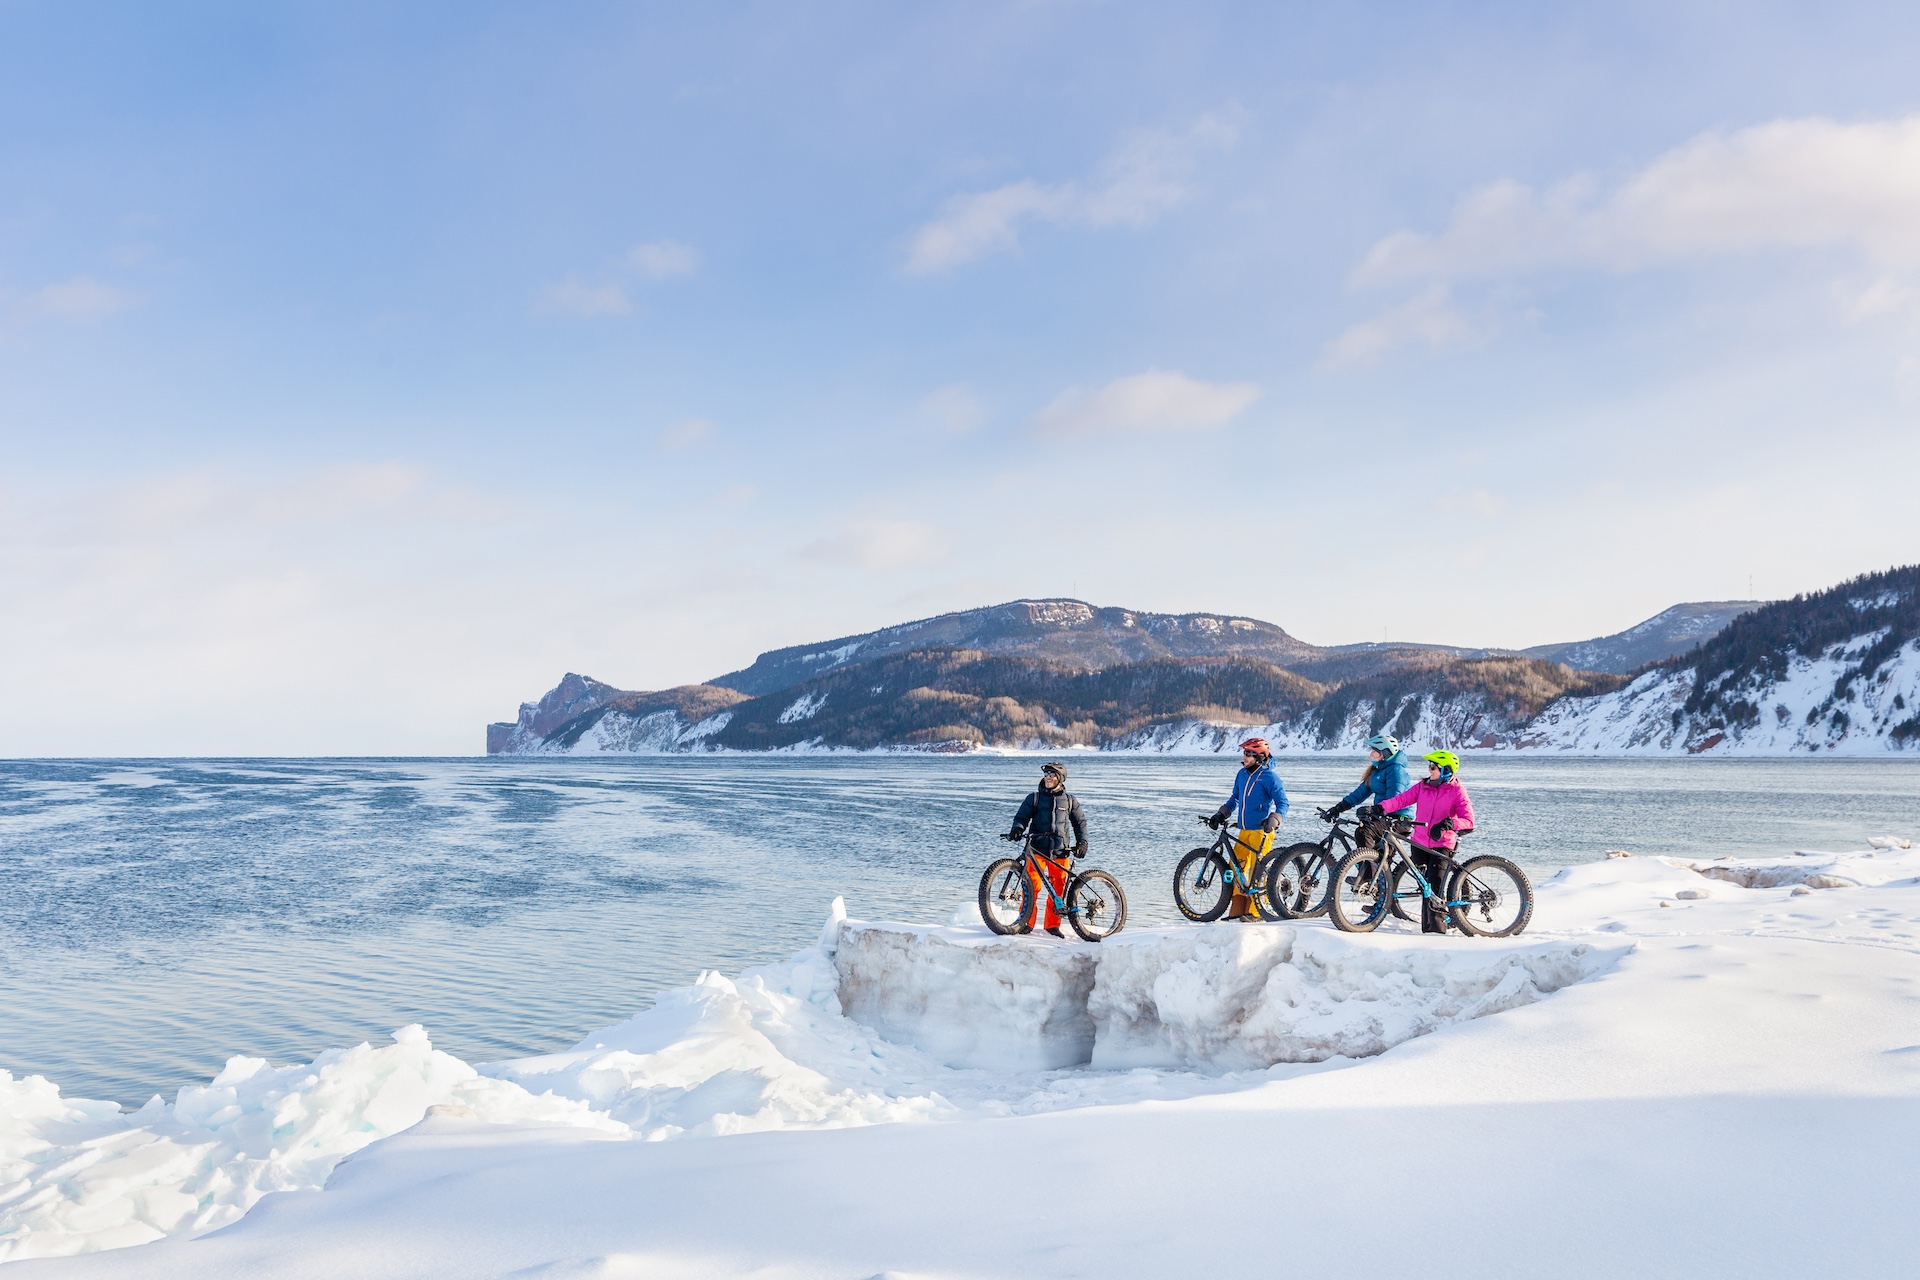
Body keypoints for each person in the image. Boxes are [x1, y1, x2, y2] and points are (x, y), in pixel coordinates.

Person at [1377, 749, 1476, 934]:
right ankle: (1427, 930)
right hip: (1419, 843)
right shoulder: (1423, 786)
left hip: (1442, 845)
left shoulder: (1457, 791)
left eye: (1433, 767)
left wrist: (1449, 823)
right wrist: (1380, 808)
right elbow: (1401, 800)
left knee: (1435, 888)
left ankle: (1437, 933)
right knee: (1425, 888)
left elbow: (1469, 821)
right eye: (1429, 766)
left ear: (1446, 769)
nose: (1429, 770)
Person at [1201, 737, 1289, 921]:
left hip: (1261, 831)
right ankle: (1237, 910)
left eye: (1249, 753)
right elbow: (1234, 798)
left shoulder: (1269, 777)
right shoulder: (1241, 774)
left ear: (1259, 757)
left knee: (1257, 872)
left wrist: (1274, 819)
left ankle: (1256, 913)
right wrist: (1221, 814)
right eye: (1244, 752)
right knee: (1235, 869)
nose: (1245, 756)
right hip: (1243, 831)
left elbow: (1283, 803)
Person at [1004, 761, 1087, 937]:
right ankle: (1026, 922)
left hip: (1060, 850)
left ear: (1060, 778)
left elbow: (1080, 823)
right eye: (1046, 774)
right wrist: (1018, 829)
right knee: (1031, 887)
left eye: (1052, 774)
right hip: (1037, 849)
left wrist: (1082, 842)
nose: (1048, 777)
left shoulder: (1070, 800)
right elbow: (1021, 817)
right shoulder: (1034, 798)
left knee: (1058, 889)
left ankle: (1052, 926)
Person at [1321, 733, 1414, 844]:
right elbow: (1359, 793)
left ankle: (1367, 861)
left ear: (1385, 753)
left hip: (1399, 819)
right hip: (1383, 816)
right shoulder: (1376, 771)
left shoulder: (1396, 771)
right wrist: (1338, 808)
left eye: (1375, 751)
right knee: (1366, 832)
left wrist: (1374, 810)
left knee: (1364, 832)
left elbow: (1394, 799)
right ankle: (1369, 859)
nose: (1371, 754)